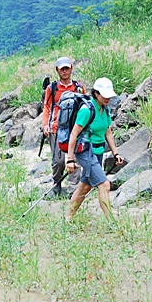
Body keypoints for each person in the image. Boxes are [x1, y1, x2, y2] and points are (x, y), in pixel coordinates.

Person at [65, 78, 125, 222]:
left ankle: (67, 218)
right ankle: (112, 222)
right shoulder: (86, 110)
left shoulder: (106, 110)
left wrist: (115, 153)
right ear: (96, 93)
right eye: (105, 95)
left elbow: (108, 132)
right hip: (85, 152)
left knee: (85, 186)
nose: (108, 98)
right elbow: (74, 134)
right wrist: (70, 159)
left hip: (98, 152)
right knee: (104, 184)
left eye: (109, 95)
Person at [41, 56, 85, 198]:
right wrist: (45, 125)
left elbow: (85, 105)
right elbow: (47, 107)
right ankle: (57, 183)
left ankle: (74, 189)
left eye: (67, 68)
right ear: (57, 71)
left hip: (75, 127)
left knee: (76, 158)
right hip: (56, 128)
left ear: (71, 68)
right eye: (62, 69)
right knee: (58, 161)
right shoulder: (52, 88)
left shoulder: (78, 87)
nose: (65, 71)